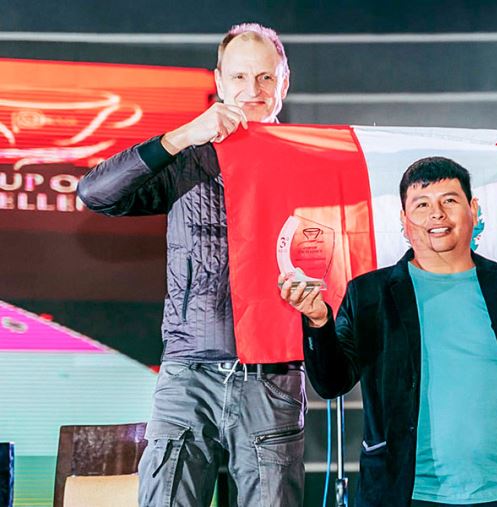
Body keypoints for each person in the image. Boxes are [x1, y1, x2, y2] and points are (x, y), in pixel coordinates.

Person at [280, 156, 497, 507]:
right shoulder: (370, 294)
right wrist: (318, 322)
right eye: (422, 204)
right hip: (407, 494)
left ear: (473, 209)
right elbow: (331, 382)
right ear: (404, 220)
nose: (437, 214)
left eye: (449, 200)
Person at [76, 23, 304, 506]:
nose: (253, 89)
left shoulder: (309, 162)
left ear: (284, 82)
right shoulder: (184, 157)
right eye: (239, 77)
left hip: (272, 374)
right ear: (219, 81)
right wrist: (180, 137)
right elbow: (95, 193)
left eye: (265, 77)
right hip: (188, 370)